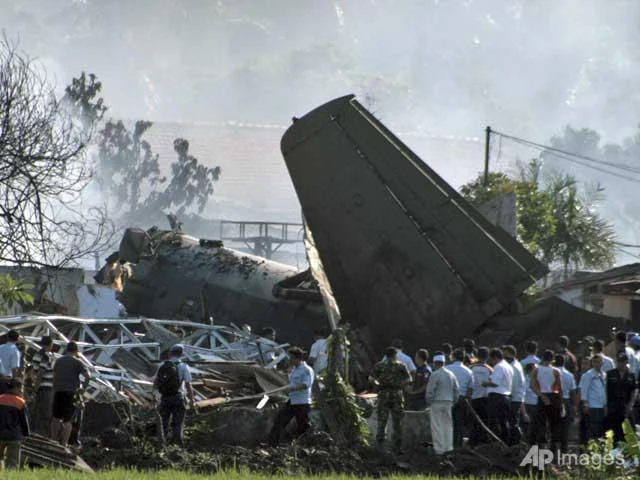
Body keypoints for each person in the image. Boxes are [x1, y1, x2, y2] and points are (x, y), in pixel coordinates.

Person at [269, 346, 314, 445]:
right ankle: (272, 444)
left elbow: (306, 385)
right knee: (279, 421)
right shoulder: (294, 370)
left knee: (303, 427)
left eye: (291, 357)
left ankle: (309, 445)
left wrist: (292, 388)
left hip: (302, 403)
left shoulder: (307, 370)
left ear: (297, 358)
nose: (289, 359)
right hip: (292, 401)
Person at [369, 347, 411, 452]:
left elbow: (371, 378)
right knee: (397, 421)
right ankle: (397, 447)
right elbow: (409, 379)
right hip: (397, 394)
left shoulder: (379, 365)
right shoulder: (401, 365)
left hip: (383, 394)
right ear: (395, 355)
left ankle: (380, 446)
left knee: (382, 420)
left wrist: (378, 384)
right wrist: (400, 385)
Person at [154, 344, 196, 447]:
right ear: (182, 354)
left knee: (164, 423)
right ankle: (178, 448)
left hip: (165, 398)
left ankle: (162, 446)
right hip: (178, 397)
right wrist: (192, 400)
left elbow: (156, 382)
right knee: (178, 424)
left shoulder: (162, 365)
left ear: (170, 353)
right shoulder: (183, 366)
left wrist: (155, 397)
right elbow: (188, 384)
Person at [51, 342, 91, 447]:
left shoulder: (59, 361)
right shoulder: (77, 362)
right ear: (76, 351)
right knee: (68, 420)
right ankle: (64, 443)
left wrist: (55, 387)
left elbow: (54, 376)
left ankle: (53, 440)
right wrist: (83, 390)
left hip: (59, 391)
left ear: (66, 349)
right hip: (72, 392)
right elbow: (88, 376)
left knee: (56, 418)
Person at [529, 350, 563, 452]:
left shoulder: (536, 370)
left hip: (542, 396)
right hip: (554, 397)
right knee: (554, 424)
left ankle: (541, 447)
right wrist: (561, 404)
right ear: (552, 359)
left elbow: (532, 385)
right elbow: (560, 388)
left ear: (542, 358)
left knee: (542, 423)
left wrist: (541, 395)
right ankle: (554, 448)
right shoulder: (556, 371)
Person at [426, 352, 459, 455]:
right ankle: (448, 448)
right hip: (448, 402)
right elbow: (456, 390)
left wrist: (429, 402)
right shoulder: (451, 374)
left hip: (436, 402)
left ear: (435, 363)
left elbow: (430, 391)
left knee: (437, 426)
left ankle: (439, 450)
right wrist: (454, 401)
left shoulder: (435, 374)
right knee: (448, 425)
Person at [605, 351, 637, 444]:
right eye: (619, 361)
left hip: (626, 407)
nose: (621, 363)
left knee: (628, 433)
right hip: (613, 408)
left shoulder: (631, 375)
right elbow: (605, 390)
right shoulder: (610, 374)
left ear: (626, 362)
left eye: (623, 361)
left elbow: (634, 391)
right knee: (613, 433)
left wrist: (631, 404)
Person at [483, 348, 513, 443]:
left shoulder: (499, 367)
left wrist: (485, 383)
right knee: (504, 422)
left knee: (494, 422)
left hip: (497, 397)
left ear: (495, 357)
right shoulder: (508, 366)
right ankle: (506, 442)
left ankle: (496, 443)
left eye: (491, 359)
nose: (491, 362)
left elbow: (495, 383)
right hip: (506, 396)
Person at [0, 379, 29, 469]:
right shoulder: (21, 402)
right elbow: (24, 421)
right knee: (12, 462)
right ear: (17, 388)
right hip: (14, 436)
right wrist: (26, 434)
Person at [447, 348, 473, 448]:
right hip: (462, 399)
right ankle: (458, 446)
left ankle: (448, 445)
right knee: (459, 424)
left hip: (448, 397)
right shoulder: (468, 371)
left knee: (448, 423)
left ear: (453, 357)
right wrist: (469, 403)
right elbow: (470, 389)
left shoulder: (447, 368)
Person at [579, 354, 607, 444]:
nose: (596, 364)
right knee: (592, 430)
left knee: (600, 430)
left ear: (602, 362)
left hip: (601, 406)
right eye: (594, 362)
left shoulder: (604, 374)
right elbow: (584, 390)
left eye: (598, 362)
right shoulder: (588, 375)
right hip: (592, 406)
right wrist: (585, 404)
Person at [30, 336, 55, 436]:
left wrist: (34, 385)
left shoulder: (36, 355)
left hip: (39, 387)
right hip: (45, 387)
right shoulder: (45, 356)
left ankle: (34, 431)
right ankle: (42, 434)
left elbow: (32, 371)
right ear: (50, 344)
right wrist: (36, 388)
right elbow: (41, 373)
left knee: (37, 410)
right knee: (46, 413)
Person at [554, 354, 577, 453]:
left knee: (554, 426)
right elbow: (573, 392)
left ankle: (553, 450)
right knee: (565, 428)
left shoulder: (552, 373)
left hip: (555, 400)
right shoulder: (569, 375)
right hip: (566, 401)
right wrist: (574, 406)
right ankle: (564, 450)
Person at [469, 347, 492, 445]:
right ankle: (484, 441)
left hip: (473, 398)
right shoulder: (490, 369)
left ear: (477, 356)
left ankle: (473, 441)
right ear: (487, 357)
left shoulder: (471, 368)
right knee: (484, 421)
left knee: (473, 421)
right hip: (485, 398)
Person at [504, 345, 525, 445]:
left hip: (514, 398)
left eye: (505, 354)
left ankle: (517, 442)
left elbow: (514, 385)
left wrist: (508, 396)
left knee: (513, 422)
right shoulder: (516, 364)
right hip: (515, 397)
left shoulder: (514, 367)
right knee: (513, 421)